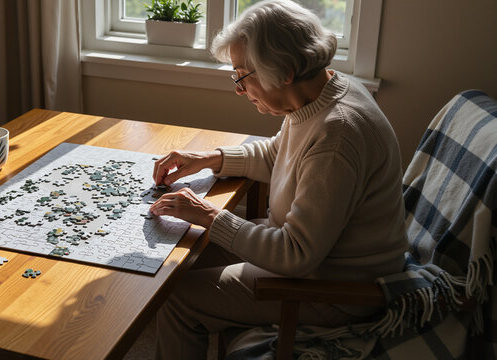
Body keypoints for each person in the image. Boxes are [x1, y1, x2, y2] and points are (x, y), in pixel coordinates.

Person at [149, 0, 408, 358]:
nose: (239, 89)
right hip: (309, 258)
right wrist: (209, 159)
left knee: (177, 297)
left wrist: (209, 215)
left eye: (242, 75)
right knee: (180, 255)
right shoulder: (321, 92)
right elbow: (277, 155)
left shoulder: (338, 134)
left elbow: (296, 254)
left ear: (284, 72)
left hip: (333, 288)